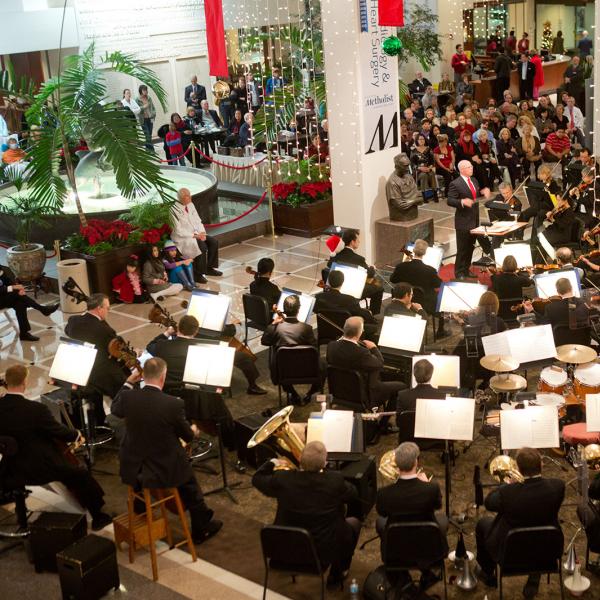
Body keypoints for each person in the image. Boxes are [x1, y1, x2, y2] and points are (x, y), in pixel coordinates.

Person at [111, 358, 222, 544]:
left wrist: (129, 382)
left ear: (142, 376)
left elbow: (115, 409)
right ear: (163, 376)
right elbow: (187, 437)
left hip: (133, 465)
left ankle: (141, 508)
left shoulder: (128, 397)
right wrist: (193, 430)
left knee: (158, 457)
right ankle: (201, 528)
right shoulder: (173, 404)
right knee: (190, 483)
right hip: (160, 470)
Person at [0, 365, 112, 531]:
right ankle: (98, 516)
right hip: (38, 468)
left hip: (10, 468)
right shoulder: (35, 410)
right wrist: (76, 434)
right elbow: (59, 432)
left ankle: (19, 508)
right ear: (25, 382)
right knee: (79, 473)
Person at [252, 441, 361, 588]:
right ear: (324, 462)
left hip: (284, 551)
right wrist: (327, 472)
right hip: (321, 555)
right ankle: (337, 575)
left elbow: (257, 479)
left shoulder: (283, 479)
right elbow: (353, 494)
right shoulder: (334, 481)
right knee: (353, 523)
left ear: (300, 459)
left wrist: (272, 462)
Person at [475, 447, 564, 595]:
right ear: (541, 465)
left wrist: (508, 484)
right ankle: (534, 580)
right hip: (547, 551)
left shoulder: (508, 493)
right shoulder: (558, 487)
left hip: (511, 554)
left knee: (482, 524)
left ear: (518, 468)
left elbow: (489, 502)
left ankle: (487, 573)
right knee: (539, 531)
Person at [145, 316, 234, 446]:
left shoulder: (162, 346)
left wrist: (167, 333)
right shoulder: (202, 349)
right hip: (197, 399)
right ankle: (230, 443)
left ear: (178, 328)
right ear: (196, 331)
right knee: (223, 414)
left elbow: (149, 346)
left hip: (170, 398)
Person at [376, 442, 448, 591]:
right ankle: (428, 571)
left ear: (396, 464)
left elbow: (382, 513)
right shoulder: (431, 489)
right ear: (416, 461)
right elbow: (437, 506)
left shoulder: (384, 494)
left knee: (380, 523)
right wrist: (426, 484)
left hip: (396, 550)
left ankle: (402, 578)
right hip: (427, 548)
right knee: (442, 521)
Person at [64, 293, 128, 421]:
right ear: (99, 308)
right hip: (99, 374)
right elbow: (118, 350)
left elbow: (67, 331)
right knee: (126, 382)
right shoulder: (104, 331)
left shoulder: (73, 321)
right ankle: (124, 416)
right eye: (107, 308)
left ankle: (99, 422)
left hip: (79, 369)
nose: (108, 311)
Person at [326, 316, 406, 414]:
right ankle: (383, 424)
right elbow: (379, 363)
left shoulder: (331, 346)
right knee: (402, 386)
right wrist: (374, 348)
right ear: (359, 332)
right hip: (364, 393)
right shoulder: (361, 353)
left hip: (340, 390)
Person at [261, 294, 324, 405]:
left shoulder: (277, 328)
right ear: (298, 310)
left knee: (276, 359)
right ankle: (310, 393)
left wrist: (272, 325)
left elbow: (265, 341)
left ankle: (292, 393)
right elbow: (315, 350)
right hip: (308, 371)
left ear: (284, 310)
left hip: (284, 372)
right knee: (323, 363)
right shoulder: (307, 329)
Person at [447, 160, 491, 279]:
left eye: (471, 166)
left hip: (474, 220)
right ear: (462, 170)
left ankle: (466, 269)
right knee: (462, 249)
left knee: (470, 247)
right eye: (469, 167)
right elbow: (449, 200)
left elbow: (474, 196)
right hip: (463, 222)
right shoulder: (455, 184)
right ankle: (459, 273)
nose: (472, 168)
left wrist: (482, 192)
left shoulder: (474, 180)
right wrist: (461, 201)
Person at [326, 229, 384, 315]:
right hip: (353, 289)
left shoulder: (337, 256)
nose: (359, 241)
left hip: (338, 287)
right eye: (357, 239)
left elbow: (329, 265)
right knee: (379, 288)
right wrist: (372, 268)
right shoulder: (358, 259)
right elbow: (370, 273)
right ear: (352, 242)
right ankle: (372, 314)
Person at [170, 187, 222, 284]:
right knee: (202, 247)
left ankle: (209, 268)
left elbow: (198, 220)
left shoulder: (190, 205)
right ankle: (198, 274)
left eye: (190, 195)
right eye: (187, 196)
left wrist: (202, 232)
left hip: (196, 233)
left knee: (213, 242)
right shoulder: (173, 210)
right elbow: (178, 231)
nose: (190, 198)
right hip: (184, 238)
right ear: (181, 198)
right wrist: (194, 236)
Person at [524, 277, 590, 344]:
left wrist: (531, 310)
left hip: (562, 345)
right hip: (584, 344)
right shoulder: (585, 303)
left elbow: (542, 322)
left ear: (558, 292)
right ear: (571, 288)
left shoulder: (551, 308)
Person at [314, 270, 378, 337]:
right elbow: (359, 315)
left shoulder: (318, 297)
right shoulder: (350, 300)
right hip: (346, 332)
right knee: (373, 327)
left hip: (325, 330)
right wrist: (369, 314)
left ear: (328, 282)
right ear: (342, 282)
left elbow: (316, 310)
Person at [0, 271, 59, 341]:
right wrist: (13, 288)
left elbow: (7, 280)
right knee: (17, 295)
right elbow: (8, 288)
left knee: (20, 303)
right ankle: (43, 309)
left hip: (3, 297)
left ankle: (24, 334)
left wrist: (19, 288)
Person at [390, 239, 442, 316]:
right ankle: (439, 326)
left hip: (403, 300)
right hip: (424, 303)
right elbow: (438, 284)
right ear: (424, 253)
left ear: (413, 250)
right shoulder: (430, 270)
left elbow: (392, 279)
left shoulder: (401, 266)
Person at [491, 255, 531, 320]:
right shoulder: (520, 279)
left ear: (503, 265)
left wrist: (498, 273)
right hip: (518, 311)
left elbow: (492, 276)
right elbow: (528, 282)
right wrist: (518, 273)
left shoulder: (496, 279)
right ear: (515, 266)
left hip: (501, 312)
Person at [135, 85, 156, 151]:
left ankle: (147, 149)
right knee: (147, 135)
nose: (146, 91)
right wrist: (143, 107)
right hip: (143, 120)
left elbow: (153, 107)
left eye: (146, 90)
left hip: (150, 119)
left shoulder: (149, 98)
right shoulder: (137, 99)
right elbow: (136, 109)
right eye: (144, 90)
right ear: (140, 91)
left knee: (149, 135)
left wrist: (153, 114)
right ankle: (152, 150)